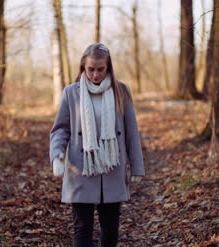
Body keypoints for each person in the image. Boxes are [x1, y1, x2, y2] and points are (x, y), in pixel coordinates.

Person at [49, 43, 145, 247]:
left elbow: (131, 132)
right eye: (90, 69)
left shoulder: (121, 91)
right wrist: (57, 155)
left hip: (112, 167)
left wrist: (137, 167)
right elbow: (60, 129)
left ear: (108, 67)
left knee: (110, 231)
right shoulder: (71, 93)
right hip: (80, 168)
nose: (95, 74)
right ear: (83, 67)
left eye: (100, 69)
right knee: (82, 230)